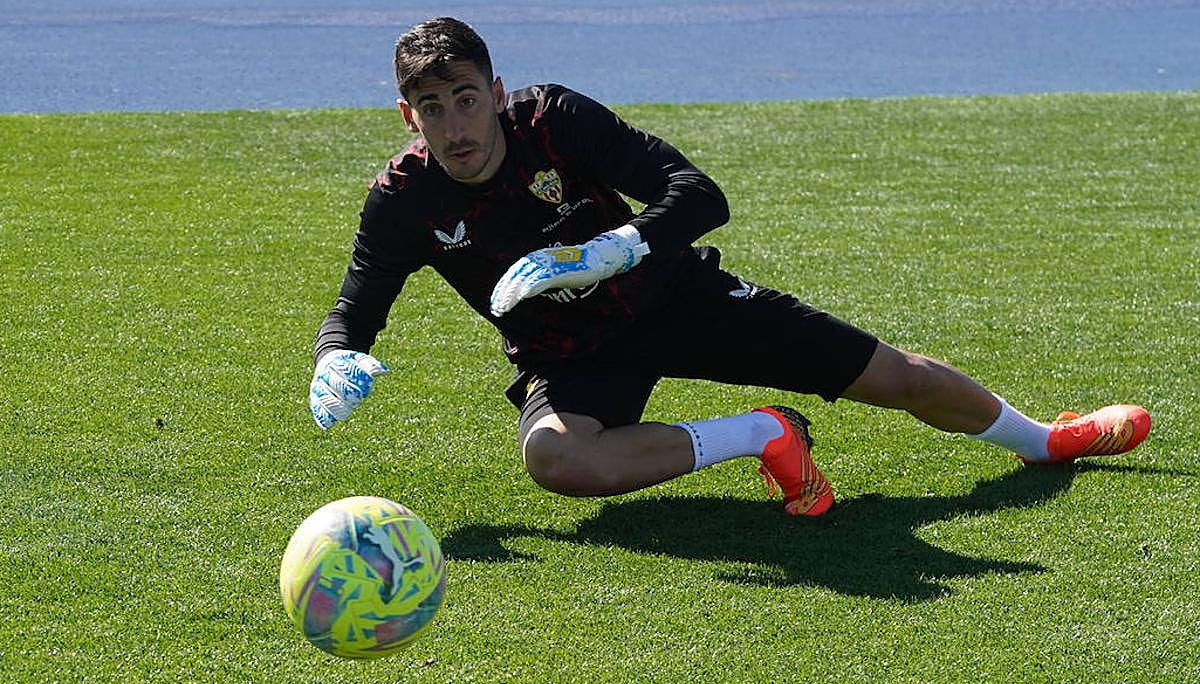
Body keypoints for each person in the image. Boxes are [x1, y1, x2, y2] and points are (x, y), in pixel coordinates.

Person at [309, 16, 1150, 517]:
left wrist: (610, 248)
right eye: (430, 109)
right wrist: (334, 357)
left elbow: (697, 193)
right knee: (557, 461)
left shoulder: (557, 121)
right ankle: (764, 435)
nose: (454, 127)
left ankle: (1044, 440)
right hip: (571, 359)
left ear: (495, 92)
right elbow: (358, 302)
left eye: (465, 100)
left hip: (672, 296)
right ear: (407, 116)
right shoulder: (404, 198)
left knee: (896, 377)